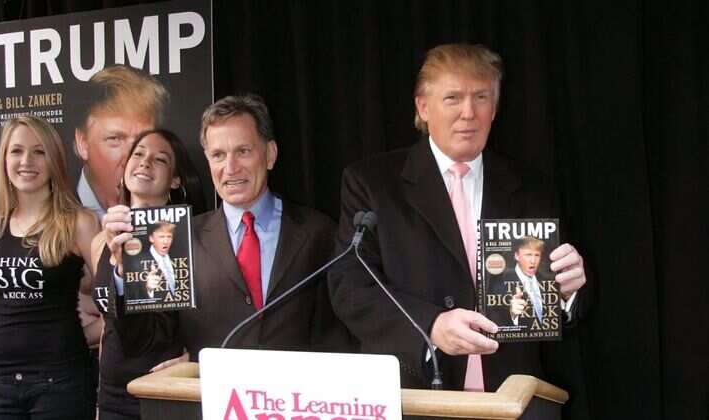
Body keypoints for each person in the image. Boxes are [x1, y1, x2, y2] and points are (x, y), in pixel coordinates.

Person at [328, 43, 587, 392]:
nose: (469, 113)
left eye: (481, 97)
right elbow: (351, 287)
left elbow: (555, 306)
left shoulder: (532, 189)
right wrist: (430, 326)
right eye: (453, 98)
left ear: (494, 108)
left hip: (511, 398)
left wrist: (567, 292)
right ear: (423, 107)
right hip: (415, 395)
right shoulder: (373, 183)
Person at [101, 94, 351, 361]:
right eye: (219, 155)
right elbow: (145, 342)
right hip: (214, 389)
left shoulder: (318, 232)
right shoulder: (178, 238)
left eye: (243, 151)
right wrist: (126, 276)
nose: (230, 168)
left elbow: (341, 333)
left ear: (270, 155)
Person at [0, 115, 99, 419]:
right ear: (4, 159)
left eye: (38, 151)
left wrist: (87, 334)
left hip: (60, 381)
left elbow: (116, 298)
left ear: (54, 159)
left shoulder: (79, 223)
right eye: (16, 151)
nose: (26, 161)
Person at [89, 128, 206, 420]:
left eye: (160, 159)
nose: (145, 162)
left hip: (166, 390)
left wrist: (196, 358)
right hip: (114, 395)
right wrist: (100, 400)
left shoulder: (193, 241)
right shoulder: (100, 242)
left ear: (175, 179)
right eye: (138, 154)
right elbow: (107, 326)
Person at [74, 65, 169, 219]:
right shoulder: (54, 215)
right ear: (83, 143)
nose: (132, 158)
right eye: (115, 139)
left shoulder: (172, 220)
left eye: (142, 140)